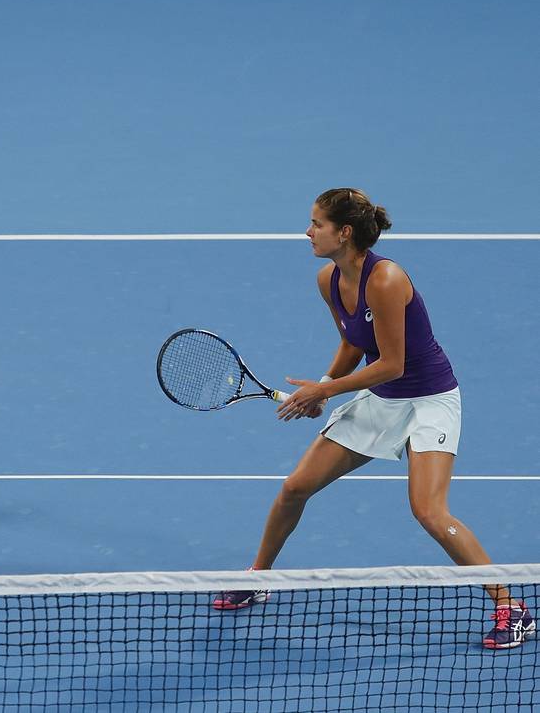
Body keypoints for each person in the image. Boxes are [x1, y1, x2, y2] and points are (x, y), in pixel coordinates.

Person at [213, 188, 533, 650]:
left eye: (317, 224)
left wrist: (325, 390)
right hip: (380, 399)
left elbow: (393, 364)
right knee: (294, 488)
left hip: (429, 400)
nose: (308, 232)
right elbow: (354, 343)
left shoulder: (386, 280)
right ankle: (258, 576)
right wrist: (326, 384)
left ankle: (511, 606)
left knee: (428, 510)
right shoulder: (328, 279)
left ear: (344, 232)